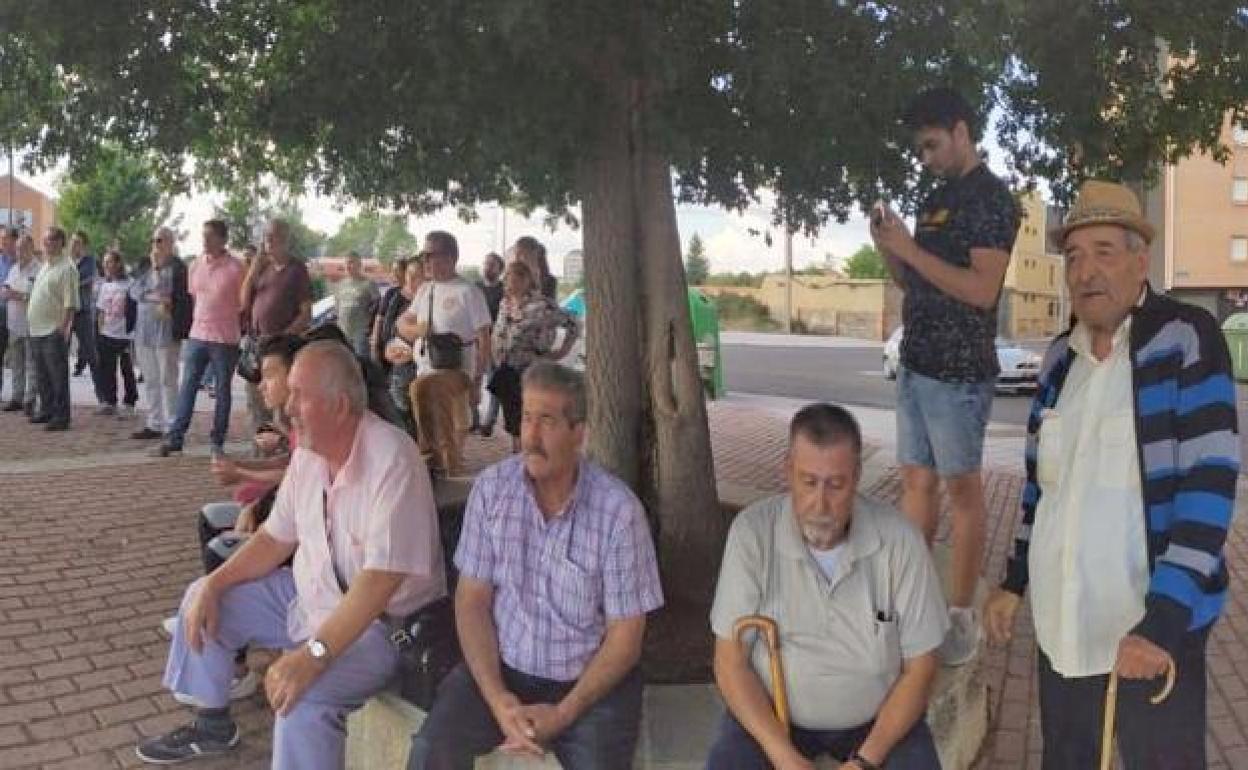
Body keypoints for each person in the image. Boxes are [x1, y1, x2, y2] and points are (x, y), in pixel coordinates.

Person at [983, 180, 1239, 769]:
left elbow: (1209, 488)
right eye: (1072, 256)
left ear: (1139, 261)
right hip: (1064, 631)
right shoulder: (1056, 361)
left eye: (1104, 251)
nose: (1085, 271)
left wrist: (1162, 623)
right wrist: (1014, 581)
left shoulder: (1184, 338)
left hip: (1147, 634)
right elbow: (1037, 489)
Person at [136, 341, 446, 768]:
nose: (288, 407)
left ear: (339, 405)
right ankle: (212, 725)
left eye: (300, 395)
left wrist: (313, 655)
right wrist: (214, 582)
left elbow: (379, 584)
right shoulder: (309, 454)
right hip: (310, 599)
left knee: (303, 695)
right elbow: (273, 540)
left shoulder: (392, 458)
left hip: (378, 628)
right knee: (205, 597)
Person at [409, 362, 663, 770]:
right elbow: (472, 602)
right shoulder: (492, 491)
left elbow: (625, 639)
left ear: (578, 433)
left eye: (547, 421)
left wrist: (563, 713)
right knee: (431, 750)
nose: (531, 436)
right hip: (503, 672)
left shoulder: (618, 513)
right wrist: (497, 699)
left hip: (588, 685)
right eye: (526, 418)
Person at [707, 403, 947, 770]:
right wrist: (782, 755)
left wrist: (866, 761)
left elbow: (922, 667)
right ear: (787, 471)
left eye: (836, 484)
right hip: (775, 716)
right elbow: (729, 662)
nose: (821, 503)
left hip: (876, 720)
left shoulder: (901, 540)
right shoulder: (752, 533)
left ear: (856, 476)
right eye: (808, 482)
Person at [869, 86, 1020, 665]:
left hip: (959, 375)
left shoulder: (992, 200)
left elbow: (981, 292)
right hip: (916, 361)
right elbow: (917, 283)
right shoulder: (935, 197)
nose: (926, 157)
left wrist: (911, 244)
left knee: (962, 495)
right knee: (916, 486)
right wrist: (891, 249)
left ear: (961, 131)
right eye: (921, 148)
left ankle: (959, 615)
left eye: (932, 145)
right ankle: (912, 602)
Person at [396, 231, 492, 477]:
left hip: (457, 370)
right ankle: (435, 461)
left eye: (431, 255)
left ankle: (445, 462)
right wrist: (416, 329)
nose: (426, 261)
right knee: (423, 390)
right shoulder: (425, 290)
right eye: (424, 256)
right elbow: (401, 323)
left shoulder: (468, 292)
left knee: (423, 389)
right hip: (426, 367)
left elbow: (484, 340)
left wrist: (478, 381)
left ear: (450, 257)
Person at [153, 220, 247, 457]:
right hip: (198, 335)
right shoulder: (195, 265)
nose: (204, 241)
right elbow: (195, 298)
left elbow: (244, 301)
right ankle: (176, 438)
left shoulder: (237, 267)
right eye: (203, 236)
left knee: (222, 391)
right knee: (188, 387)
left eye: (210, 236)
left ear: (223, 239)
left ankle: (217, 441)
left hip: (225, 339)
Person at [490, 261, 580, 451]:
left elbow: (573, 323)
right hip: (506, 368)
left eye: (512, 277)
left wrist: (562, 350)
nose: (507, 282)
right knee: (512, 419)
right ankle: (516, 457)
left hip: (530, 368)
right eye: (506, 277)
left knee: (528, 415)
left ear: (525, 280)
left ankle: (529, 456)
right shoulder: (505, 303)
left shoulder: (541, 305)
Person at [240, 219, 313, 434]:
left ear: (285, 239)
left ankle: (284, 449)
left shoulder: (296, 269)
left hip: (279, 347)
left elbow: (306, 313)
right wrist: (253, 269)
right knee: (256, 400)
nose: (268, 242)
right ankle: (261, 448)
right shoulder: (262, 268)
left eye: (273, 236)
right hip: (256, 344)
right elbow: (243, 302)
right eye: (266, 237)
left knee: (280, 404)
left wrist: (284, 339)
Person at [130, 228, 184, 441]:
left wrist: (155, 289)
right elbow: (134, 292)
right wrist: (153, 271)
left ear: (170, 243)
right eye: (153, 240)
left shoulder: (178, 267)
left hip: (166, 331)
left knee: (168, 379)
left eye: (160, 240)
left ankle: (173, 424)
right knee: (151, 378)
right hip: (143, 330)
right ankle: (155, 423)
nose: (155, 244)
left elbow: (172, 294)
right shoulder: (145, 265)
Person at [26, 227, 80, 431]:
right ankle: (46, 410)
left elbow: (70, 302)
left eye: (49, 240)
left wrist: (63, 328)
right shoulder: (45, 266)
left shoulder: (67, 268)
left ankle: (61, 416)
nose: (46, 244)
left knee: (57, 376)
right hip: (37, 328)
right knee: (42, 375)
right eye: (44, 240)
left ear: (60, 242)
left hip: (52, 330)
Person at [93, 249, 139, 417]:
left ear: (118, 264)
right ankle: (109, 401)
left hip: (125, 334)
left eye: (109, 262)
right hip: (107, 332)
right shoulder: (106, 286)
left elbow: (135, 309)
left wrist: (133, 331)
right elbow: (101, 310)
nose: (106, 266)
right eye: (104, 263)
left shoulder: (130, 284)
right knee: (107, 369)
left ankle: (130, 402)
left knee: (127, 369)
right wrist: (100, 331)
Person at [381, 257, 424, 436]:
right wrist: (389, 347)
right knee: (400, 413)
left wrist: (411, 350)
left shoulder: (429, 302)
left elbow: (423, 332)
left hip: (421, 367)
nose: (411, 281)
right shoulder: (396, 297)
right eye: (409, 275)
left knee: (420, 416)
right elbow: (389, 329)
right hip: (399, 365)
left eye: (417, 276)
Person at [1, 232, 39, 414]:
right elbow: (6, 289)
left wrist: (16, 295)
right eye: (17, 248)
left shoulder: (38, 269)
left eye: (23, 248)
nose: (20, 251)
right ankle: (17, 396)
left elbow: (34, 296)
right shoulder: (14, 269)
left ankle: (30, 399)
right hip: (13, 323)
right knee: (17, 363)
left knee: (31, 362)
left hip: (31, 324)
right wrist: (11, 293)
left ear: (31, 248)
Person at [474, 252, 505, 436]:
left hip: (494, 344)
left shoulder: (503, 290)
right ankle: (474, 418)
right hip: (474, 342)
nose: (487, 267)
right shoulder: (475, 288)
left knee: (493, 383)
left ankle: (488, 422)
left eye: (492, 264)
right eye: (486, 263)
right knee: (472, 380)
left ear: (500, 269)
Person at [332, 251, 380, 358]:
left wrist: (371, 327)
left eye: (351, 262)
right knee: (345, 363)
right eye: (346, 263)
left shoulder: (369, 283)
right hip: (343, 333)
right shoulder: (340, 285)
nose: (348, 266)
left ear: (359, 265)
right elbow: (337, 310)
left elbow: (379, 306)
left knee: (361, 364)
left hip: (361, 333)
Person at [68, 231, 101, 388]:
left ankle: (103, 397)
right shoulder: (65, 261)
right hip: (65, 312)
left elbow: (83, 279)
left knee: (91, 352)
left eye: (78, 242)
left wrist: (66, 282)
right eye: (73, 241)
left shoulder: (89, 261)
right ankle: (58, 397)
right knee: (59, 354)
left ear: (84, 245)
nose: (74, 245)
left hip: (82, 312)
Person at [371, 256, 411, 366]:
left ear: (406, 272)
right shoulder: (390, 293)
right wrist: (375, 341)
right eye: (393, 271)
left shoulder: (415, 294)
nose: (395, 274)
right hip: (386, 344)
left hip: (404, 348)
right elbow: (379, 318)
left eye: (398, 270)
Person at [513, 236, 558, 301]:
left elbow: (551, 305)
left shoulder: (549, 280)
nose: (516, 258)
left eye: (520, 254)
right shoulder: (513, 277)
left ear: (534, 254)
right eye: (516, 254)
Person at [0, 227, 14, 403]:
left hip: (18, 314)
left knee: (20, 356)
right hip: (1, 311)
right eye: (1, 239)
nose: (2, 242)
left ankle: (22, 395)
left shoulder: (21, 262)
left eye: (6, 238)